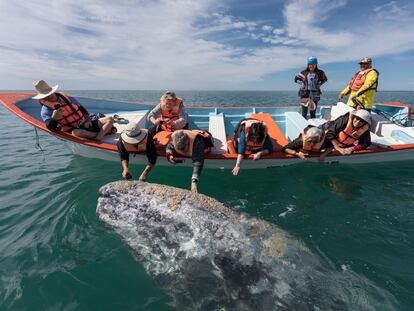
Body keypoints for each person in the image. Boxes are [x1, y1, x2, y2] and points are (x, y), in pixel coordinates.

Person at [33, 80, 114, 140]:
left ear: (53, 91)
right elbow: (51, 128)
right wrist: (54, 119)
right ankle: (102, 133)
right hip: (74, 129)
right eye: (45, 96)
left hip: (84, 123)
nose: (48, 97)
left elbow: (82, 110)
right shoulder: (45, 109)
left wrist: (88, 121)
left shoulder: (68, 99)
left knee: (109, 119)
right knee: (76, 133)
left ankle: (99, 137)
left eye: (49, 94)